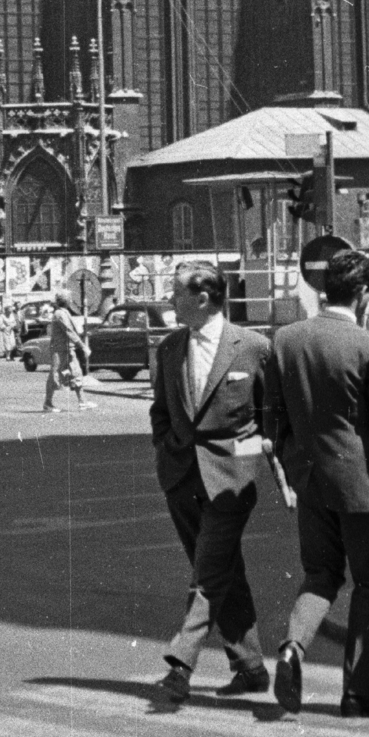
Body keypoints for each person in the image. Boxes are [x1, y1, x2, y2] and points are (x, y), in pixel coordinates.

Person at [264, 249, 369, 718]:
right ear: (361, 293)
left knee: (321, 574)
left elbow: (273, 418)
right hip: (359, 486)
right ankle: (356, 691)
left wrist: (290, 470)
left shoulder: (286, 340)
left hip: (310, 480)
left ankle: (293, 647)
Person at [149, 261, 272, 702]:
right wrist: (166, 446)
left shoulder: (253, 347)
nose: (169, 300)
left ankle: (182, 662)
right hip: (181, 476)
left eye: (175, 292)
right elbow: (160, 409)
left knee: (208, 571)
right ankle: (252, 667)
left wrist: (250, 458)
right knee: (222, 570)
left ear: (202, 298)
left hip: (231, 481)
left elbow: (269, 415)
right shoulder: (169, 348)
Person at [42, 289, 94, 412]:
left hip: (68, 349)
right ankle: (48, 403)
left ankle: (82, 402)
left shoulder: (64, 313)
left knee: (76, 373)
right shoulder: (59, 314)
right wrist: (83, 346)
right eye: (70, 298)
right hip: (59, 350)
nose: (71, 300)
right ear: (66, 300)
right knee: (55, 376)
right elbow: (69, 331)